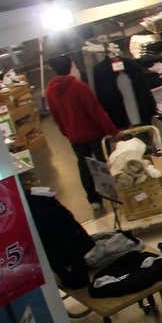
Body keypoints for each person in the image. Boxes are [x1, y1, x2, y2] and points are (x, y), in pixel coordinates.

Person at [44, 54, 119, 213]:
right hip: (93, 134)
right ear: (70, 66)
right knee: (102, 164)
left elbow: (56, 117)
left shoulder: (50, 92)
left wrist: (67, 132)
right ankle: (113, 195)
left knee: (84, 166)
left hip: (75, 137)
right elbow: (96, 111)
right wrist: (112, 131)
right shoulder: (79, 87)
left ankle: (94, 200)